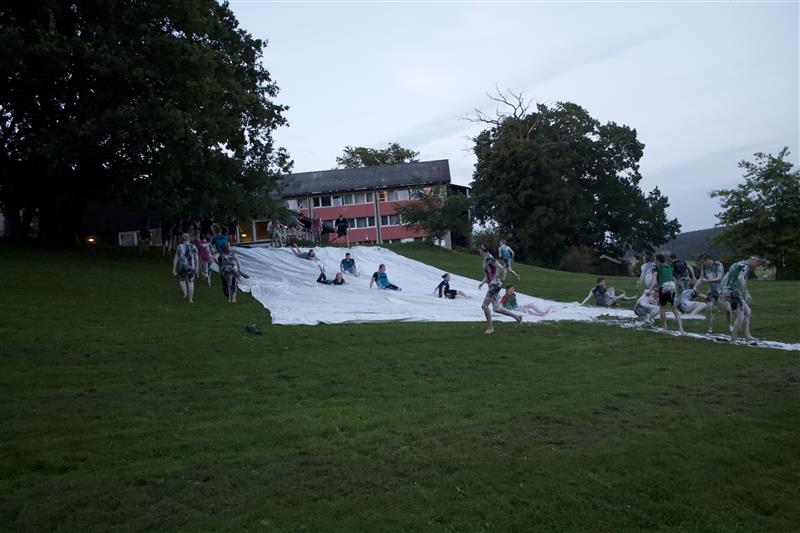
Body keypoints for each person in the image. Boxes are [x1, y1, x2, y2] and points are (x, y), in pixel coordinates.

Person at [478, 245, 522, 334]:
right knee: (497, 309)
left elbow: (501, 269)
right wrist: (483, 282)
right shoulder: (488, 258)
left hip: (494, 286)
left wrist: (495, 279)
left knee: (484, 306)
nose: (479, 252)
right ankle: (517, 317)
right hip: (493, 285)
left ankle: (490, 328)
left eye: (480, 250)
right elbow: (489, 273)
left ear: (483, 250)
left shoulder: (489, 259)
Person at [721, 255, 762, 344]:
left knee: (748, 311)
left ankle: (747, 336)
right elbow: (740, 277)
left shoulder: (736, 264)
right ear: (755, 261)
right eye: (756, 265)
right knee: (740, 315)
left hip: (730, 291)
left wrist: (722, 290)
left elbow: (726, 277)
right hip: (733, 292)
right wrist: (746, 292)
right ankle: (733, 341)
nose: (755, 268)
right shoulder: (745, 266)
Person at [695, 253, 729, 334]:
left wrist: (706, 281)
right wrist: (695, 287)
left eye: (703, 262)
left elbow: (719, 278)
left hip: (722, 291)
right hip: (712, 291)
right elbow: (701, 278)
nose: (702, 264)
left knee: (728, 310)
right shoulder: (704, 267)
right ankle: (710, 328)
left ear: (707, 260)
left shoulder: (718, 265)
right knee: (709, 307)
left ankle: (730, 324)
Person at [655, 254, 683, 333]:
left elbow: (656, 277)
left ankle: (664, 328)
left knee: (662, 307)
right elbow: (672, 278)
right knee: (674, 308)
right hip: (672, 286)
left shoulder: (658, 267)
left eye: (655, 259)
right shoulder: (669, 267)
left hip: (664, 287)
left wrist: (652, 287)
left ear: (658, 260)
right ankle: (680, 328)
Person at [172, 233, 198, 303]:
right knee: (191, 283)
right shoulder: (193, 246)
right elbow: (196, 258)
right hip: (191, 267)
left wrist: (174, 268)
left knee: (182, 280)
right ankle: (190, 299)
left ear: (182, 239)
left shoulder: (179, 247)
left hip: (182, 267)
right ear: (189, 239)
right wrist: (197, 267)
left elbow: (175, 258)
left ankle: (185, 293)